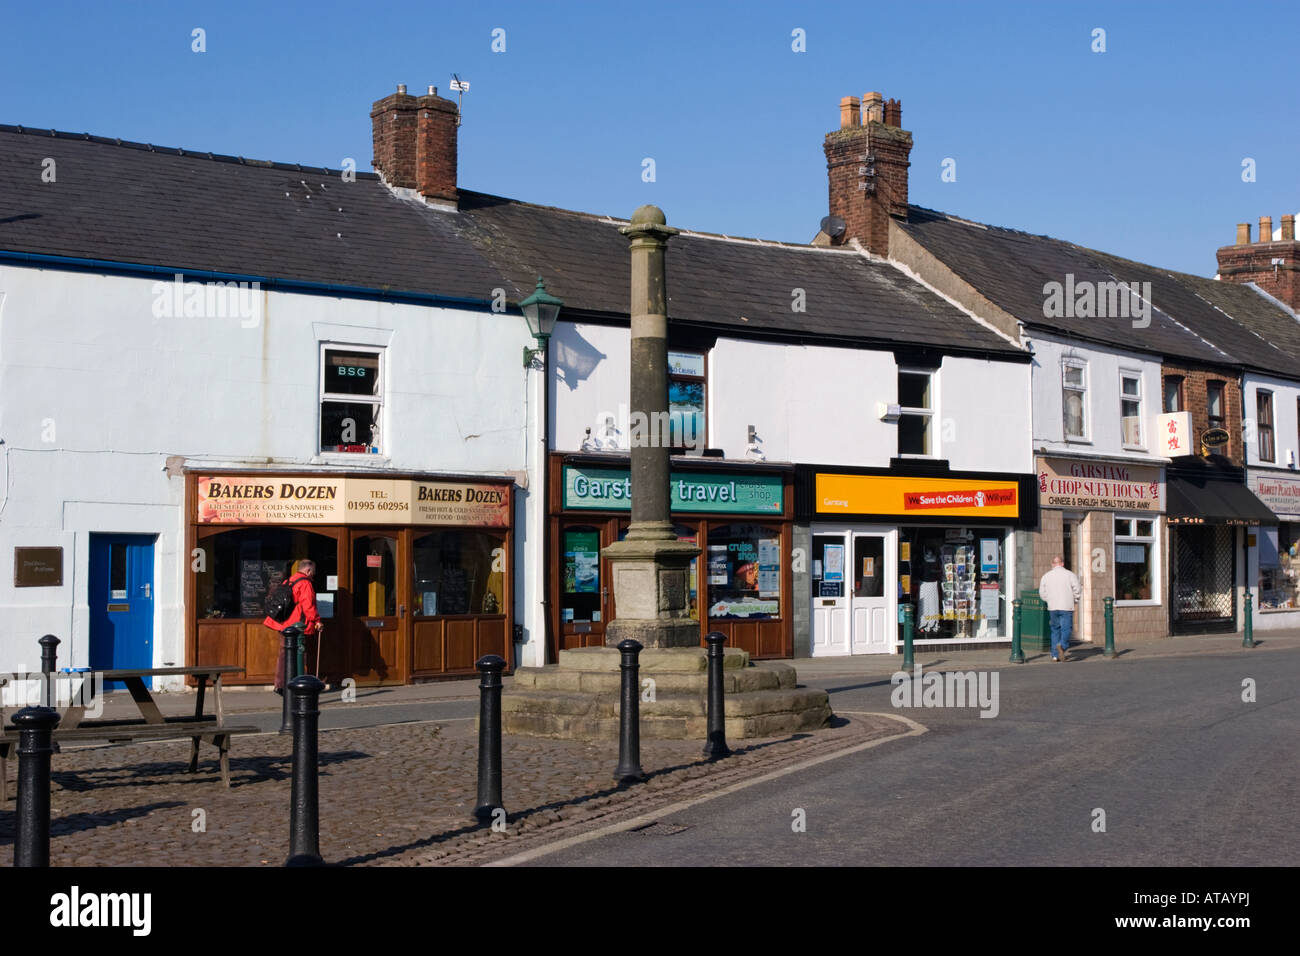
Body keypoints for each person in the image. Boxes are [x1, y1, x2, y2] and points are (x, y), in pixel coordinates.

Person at [263, 559, 322, 693]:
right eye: (313, 572)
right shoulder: (305, 583)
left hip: (283, 624)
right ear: (308, 570)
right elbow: (309, 606)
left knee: (284, 654)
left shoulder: (288, 581)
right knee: (300, 654)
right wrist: (317, 621)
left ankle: (280, 685)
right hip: (297, 625)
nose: (313, 575)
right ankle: (299, 685)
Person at [1039, 555, 1081, 662]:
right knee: (1066, 629)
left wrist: (1048, 600)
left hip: (1053, 607)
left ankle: (1054, 655)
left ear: (1052, 564)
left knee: (1055, 630)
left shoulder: (1046, 576)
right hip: (1066, 606)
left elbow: (1042, 593)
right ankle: (1062, 646)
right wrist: (1075, 600)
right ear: (1062, 563)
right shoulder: (1070, 575)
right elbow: (1077, 590)